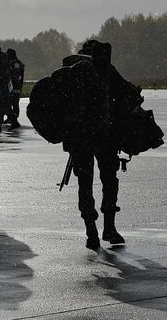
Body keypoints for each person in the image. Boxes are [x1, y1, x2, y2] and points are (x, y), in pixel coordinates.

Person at [63, 40, 129, 250]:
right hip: (98, 136)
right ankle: (103, 229)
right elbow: (126, 93)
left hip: (88, 137)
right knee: (105, 180)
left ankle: (95, 230)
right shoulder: (98, 70)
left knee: (89, 184)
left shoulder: (74, 72)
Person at [5, 48, 24, 130]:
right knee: (9, 102)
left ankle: (15, 118)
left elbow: (16, 76)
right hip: (11, 86)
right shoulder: (11, 62)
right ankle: (11, 118)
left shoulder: (16, 63)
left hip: (15, 86)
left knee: (15, 103)